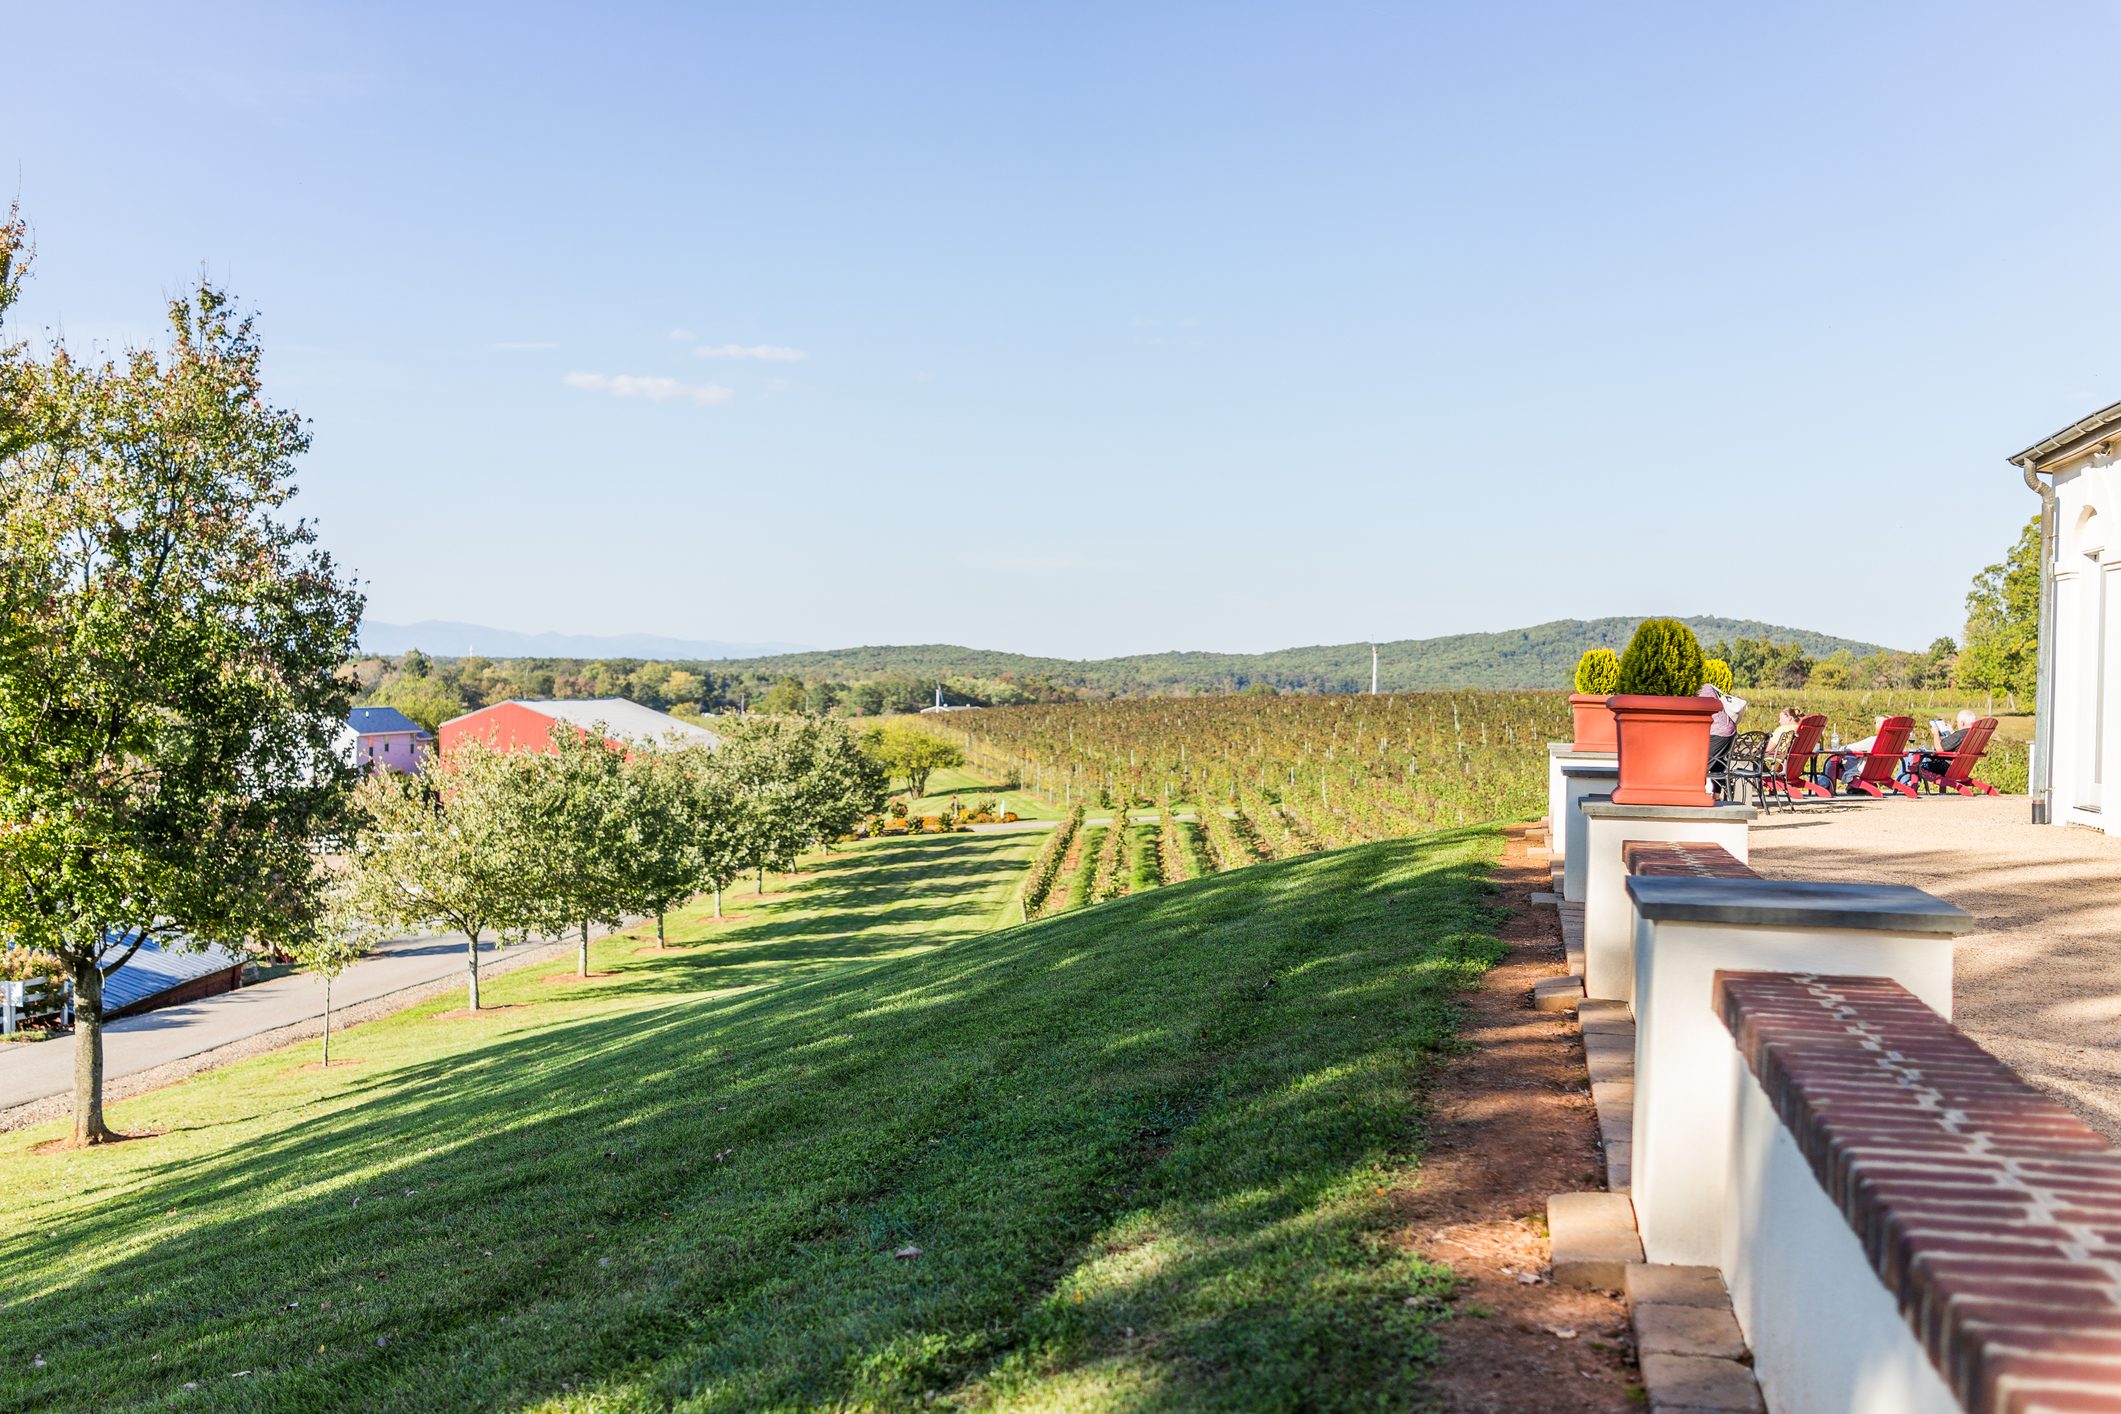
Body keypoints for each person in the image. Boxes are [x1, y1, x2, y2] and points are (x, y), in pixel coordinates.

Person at [1908, 709, 1980, 783]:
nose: (1957, 724)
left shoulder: (1960, 734)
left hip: (1945, 767)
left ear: (1962, 723)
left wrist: (1936, 733)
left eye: (1957, 722)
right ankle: (1906, 784)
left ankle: (1905, 786)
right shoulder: (1975, 734)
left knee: (1913, 763)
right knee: (1916, 758)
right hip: (1961, 768)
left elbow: (1939, 749)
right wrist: (1952, 732)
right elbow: (1958, 743)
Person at [1701, 683, 1748, 773]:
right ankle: (1721, 784)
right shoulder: (1709, 688)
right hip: (1730, 731)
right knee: (1718, 767)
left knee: (1702, 766)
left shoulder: (1701, 689)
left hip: (1718, 732)